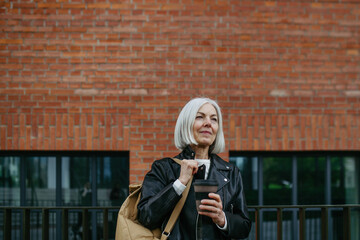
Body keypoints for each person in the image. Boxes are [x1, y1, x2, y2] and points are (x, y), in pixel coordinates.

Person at [137, 97, 251, 239]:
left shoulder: (231, 172)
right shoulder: (163, 168)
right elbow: (146, 217)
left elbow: (245, 227)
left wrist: (223, 219)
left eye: (214, 119)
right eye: (200, 117)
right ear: (186, 124)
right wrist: (179, 183)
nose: (208, 123)